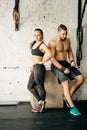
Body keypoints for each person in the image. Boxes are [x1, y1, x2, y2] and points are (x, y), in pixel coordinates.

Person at [48, 24, 84, 116]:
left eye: (66, 34)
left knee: (80, 79)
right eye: (63, 34)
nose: (65, 36)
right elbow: (51, 58)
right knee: (66, 83)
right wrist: (63, 69)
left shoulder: (67, 40)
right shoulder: (53, 42)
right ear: (58, 32)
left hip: (65, 62)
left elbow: (70, 51)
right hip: (56, 65)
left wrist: (72, 60)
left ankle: (68, 97)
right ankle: (72, 107)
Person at [27, 28, 52, 113]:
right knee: (29, 86)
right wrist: (32, 66)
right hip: (35, 67)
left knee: (40, 86)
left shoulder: (42, 45)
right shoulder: (34, 43)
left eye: (38, 35)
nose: (36, 37)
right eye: (35, 35)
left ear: (42, 35)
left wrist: (42, 62)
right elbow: (33, 58)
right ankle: (41, 101)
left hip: (39, 68)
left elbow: (50, 54)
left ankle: (41, 107)